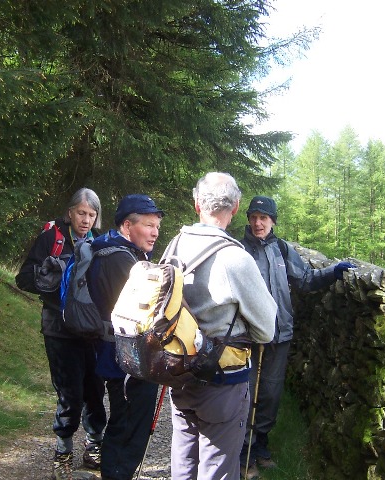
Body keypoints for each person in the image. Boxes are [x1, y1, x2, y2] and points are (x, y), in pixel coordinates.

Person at [163, 172, 278, 480]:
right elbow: (267, 328)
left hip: (179, 370)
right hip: (222, 380)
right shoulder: (234, 258)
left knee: (184, 461)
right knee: (218, 468)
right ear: (236, 208)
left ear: (196, 204)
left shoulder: (174, 245)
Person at [239, 195, 355, 479]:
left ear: (273, 221)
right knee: (246, 394)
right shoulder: (239, 250)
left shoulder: (281, 249)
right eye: (253, 217)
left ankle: (262, 446)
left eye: (263, 218)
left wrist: (333, 272)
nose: (258, 223)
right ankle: (244, 453)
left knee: (271, 394)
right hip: (249, 337)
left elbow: (305, 280)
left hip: (280, 335)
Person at [15, 188, 106, 480]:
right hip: (59, 330)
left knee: (95, 391)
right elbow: (23, 279)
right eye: (81, 213)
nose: (86, 220)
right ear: (70, 213)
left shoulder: (100, 242)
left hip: (92, 332)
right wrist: (51, 277)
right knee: (69, 393)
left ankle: (94, 446)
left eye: (91, 214)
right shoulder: (51, 239)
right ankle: (62, 452)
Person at [86, 194, 165, 480]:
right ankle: (116, 473)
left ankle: (116, 472)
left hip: (121, 356)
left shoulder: (119, 253)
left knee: (126, 419)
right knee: (129, 422)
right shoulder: (120, 260)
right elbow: (145, 311)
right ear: (127, 226)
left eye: (157, 226)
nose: (155, 232)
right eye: (148, 225)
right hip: (127, 359)